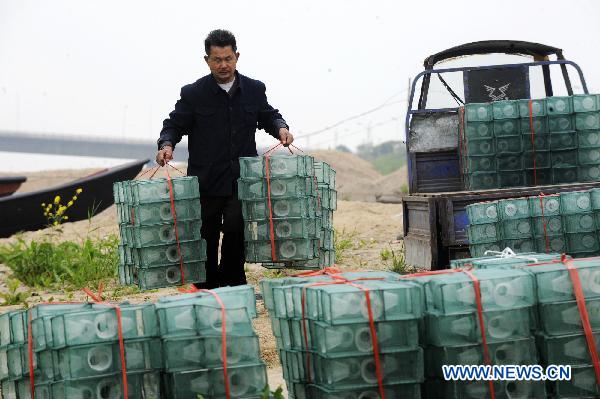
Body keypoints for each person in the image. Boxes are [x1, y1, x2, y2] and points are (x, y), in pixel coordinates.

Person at [156, 29, 293, 288]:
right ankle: (207, 286)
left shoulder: (254, 89)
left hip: (242, 179)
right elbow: (173, 125)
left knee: (236, 227)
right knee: (205, 234)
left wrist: (281, 127)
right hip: (205, 180)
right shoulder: (194, 93)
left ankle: (233, 281)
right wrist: (166, 144)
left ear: (237, 56)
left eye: (228, 58)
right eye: (217, 59)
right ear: (206, 60)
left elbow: (268, 115)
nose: (223, 65)